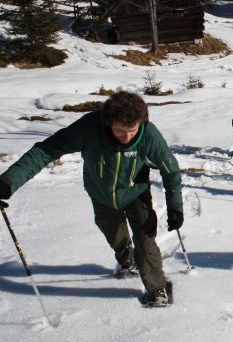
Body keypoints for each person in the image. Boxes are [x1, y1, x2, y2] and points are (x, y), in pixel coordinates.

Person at [0, 91, 183, 307]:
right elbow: (46, 151)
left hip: (136, 193)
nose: (126, 138)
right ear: (108, 122)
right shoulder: (89, 129)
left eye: (132, 131)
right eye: (120, 131)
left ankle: (156, 287)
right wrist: (9, 181)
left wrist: (175, 205)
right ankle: (127, 260)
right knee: (115, 235)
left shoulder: (149, 133)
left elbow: (170, 170)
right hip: (100, 192)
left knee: (145, 238)